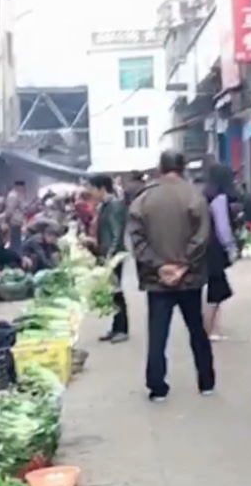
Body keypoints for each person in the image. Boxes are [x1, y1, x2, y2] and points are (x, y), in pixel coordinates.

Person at [129, 150, 215, 400]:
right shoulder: (194, 195)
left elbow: (136, 238)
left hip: (157, 280)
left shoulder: (143, 199)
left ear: (159, 167)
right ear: (183, 166)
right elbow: (202, 236)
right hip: (190, 277)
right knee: (197, 330)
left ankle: (157, 386)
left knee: (158, 333)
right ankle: (206, 381)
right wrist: (183, 265)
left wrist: (159, 266)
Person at [87, 172, 130, 342]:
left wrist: (110, 257)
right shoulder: (105, 206)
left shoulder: (114, 206)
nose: (90, 192)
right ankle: (116, 327)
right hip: (107, 254)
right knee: (112, 293)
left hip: (114, 256)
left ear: (101, 188)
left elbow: (117, 234)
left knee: (117, 292)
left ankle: (123, 329)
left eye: (92, 188)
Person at [202, 163, 241, 341]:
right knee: (216, 290)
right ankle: (209, 329)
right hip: (215, 250)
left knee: (217, 289)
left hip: (206, 247)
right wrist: (231, 247)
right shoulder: (219, 198)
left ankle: (213, 328)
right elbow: (222, 226)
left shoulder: (205, 195)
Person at [2, 179, 28, 247]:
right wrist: (6, 220)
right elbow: (9, 210)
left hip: (17, 222)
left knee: (17, 241)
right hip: (14, 222)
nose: (23, 189)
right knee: (15, 242)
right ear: (17, 187)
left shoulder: (18, 195)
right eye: (22, 187)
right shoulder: (13, 196)